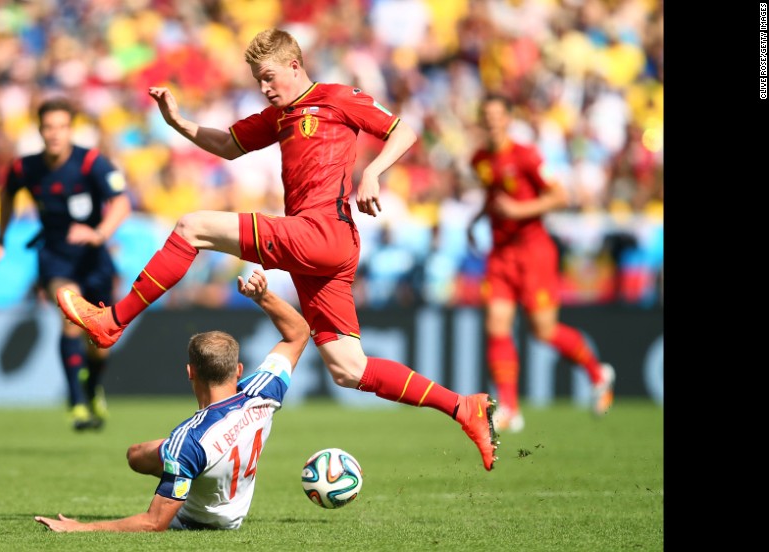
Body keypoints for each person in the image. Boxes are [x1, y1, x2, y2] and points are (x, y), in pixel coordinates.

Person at [56, 28, 500, 470]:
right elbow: (228, 145)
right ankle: (464, 407)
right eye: (257, 81)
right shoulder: (280, 116)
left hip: (322, 232)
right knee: (348, 368)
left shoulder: (337, 96)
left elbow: (404, 131)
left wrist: (373, 172)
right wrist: (177, 122)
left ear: (294, 65)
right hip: (324, 247)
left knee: (192, 227)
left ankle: (112, 321)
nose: (264, 89)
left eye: (269, 77)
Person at [35, 269, 310, 532]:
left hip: (197, 518)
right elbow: (298, 332)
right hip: (233, 497)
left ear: (190, 372)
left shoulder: (188, 440)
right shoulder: (262, 392)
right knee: (137, 454)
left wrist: (82, 527)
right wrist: (263, 296)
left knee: (139, 456)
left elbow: (153, 524)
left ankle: (182, 466)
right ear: (238, 370)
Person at [466, 93, 616, 434]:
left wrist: (519, 211)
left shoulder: (526, 155)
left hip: (534, 252)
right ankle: (510, 408)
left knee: (543, 331)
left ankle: (597, 372)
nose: (491, 123)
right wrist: (474, 221)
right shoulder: (479, 158)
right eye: (485, 117)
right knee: (496, 325)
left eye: (496, 117)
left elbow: (561, 196)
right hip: (502, 253)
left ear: (507, 119)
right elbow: (494, 195)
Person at [0, 96, 132, 431]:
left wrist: (99, 233)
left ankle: (92, 388)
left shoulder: (91, 163)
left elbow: (121, 203)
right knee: (70, 317)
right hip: (54, 255)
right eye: (49, 127)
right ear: (39, 130)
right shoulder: (25, 167)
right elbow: (6, 195)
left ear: (71, 129)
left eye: (62, 127)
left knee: (101, 342)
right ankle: (77, 402)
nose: (55, 134)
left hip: (94, 258)